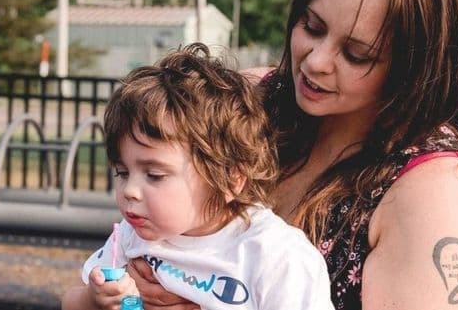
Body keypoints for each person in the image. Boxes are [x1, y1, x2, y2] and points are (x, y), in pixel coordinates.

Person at [126, 0, 458, 310]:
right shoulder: (248, 104)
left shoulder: (434, 192)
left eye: (356, 54)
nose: (315, 61)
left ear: (411, 69)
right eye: (312, 27)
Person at [61, 43, 334, 310]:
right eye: (122, 172)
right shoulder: (131, 235)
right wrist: (93, 300)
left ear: (231, 179)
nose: (130, 190)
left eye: (154, 175)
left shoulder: (274, 256)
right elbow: (71, 300)